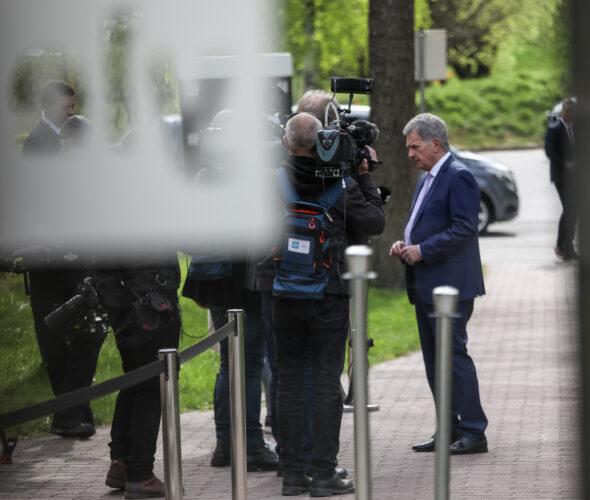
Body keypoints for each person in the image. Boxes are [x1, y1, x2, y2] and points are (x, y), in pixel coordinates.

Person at [271, 112, 384, 496]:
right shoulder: (340, 182)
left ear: (286, 143)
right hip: (329, 294)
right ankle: (323, 473)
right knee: (324, 382)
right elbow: (374, 223)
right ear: (323, 142)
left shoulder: (271, 182)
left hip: (283, 293)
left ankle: (290, 475)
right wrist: (364, 175)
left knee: (287, 382)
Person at [181, 109, 279, 472]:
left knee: (229, 363)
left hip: (213, 280)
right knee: (249, 366)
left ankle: (226, 444)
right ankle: (251, 444)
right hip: (240, 282)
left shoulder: (206, 172)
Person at [389, 113, 488, 455]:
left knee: (454, 356)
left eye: (415, 146)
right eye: (408, 148)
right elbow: (425, 224)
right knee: (435, 361)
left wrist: (424, 251)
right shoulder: (426, 178)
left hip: (450, 285)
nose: (410, 154)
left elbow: (464, 228)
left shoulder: (458, 175)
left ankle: (474, 431)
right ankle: (448, 428)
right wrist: (405, 244)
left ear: (435, 143)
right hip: (426, 282)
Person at [21, 82, 104, 439]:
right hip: (56, 261)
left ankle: (73, 411)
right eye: (65, 107)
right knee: (68, 334)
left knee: (79, 333)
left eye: (73, 107)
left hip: (69, 259)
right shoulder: (38, 146)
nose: (70, 111)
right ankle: (70, 411)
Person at [96, 255, 182, 499]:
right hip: (150, 294)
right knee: (152, 386)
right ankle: (141, 475)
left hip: (120, 292)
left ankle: (121, 463)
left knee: (135, 379)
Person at [544, 97, 578, 260]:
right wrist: (566, 164)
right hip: (561, 176)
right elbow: (549, 152)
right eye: (568, 112)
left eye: (573, 112)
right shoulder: (555, 129)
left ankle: (568, 246)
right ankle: (561, 245)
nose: (571, 115)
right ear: (563, 111)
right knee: (569, 209)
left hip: (575, 177)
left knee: (573, 211)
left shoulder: (577, 128)